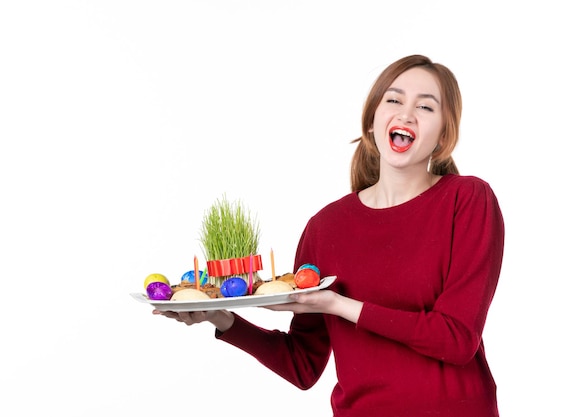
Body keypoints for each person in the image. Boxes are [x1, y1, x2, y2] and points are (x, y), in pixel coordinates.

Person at [155, 54, 505, 417]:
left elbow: (457, 339)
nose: (406, 114)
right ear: (372, 121)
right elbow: (302, 365)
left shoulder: (467, 200)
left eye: (426, 107)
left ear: (445, 134)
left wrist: (338, 305)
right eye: (394, 100)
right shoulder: (326, 227)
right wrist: (221, 317)